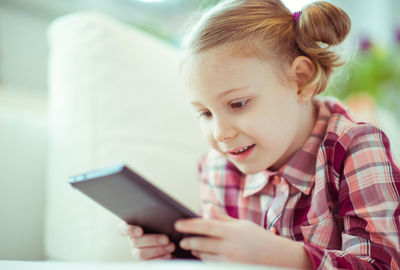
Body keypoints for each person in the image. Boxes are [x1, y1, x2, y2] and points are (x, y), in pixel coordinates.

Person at [118, 0, 400, 268]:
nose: (221, 133)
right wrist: (176, 255)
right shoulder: (218, 169)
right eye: (205, 113)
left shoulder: (356, 147)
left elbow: (384, 264)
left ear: (300, 80)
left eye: (238, 104)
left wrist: (276, 255)